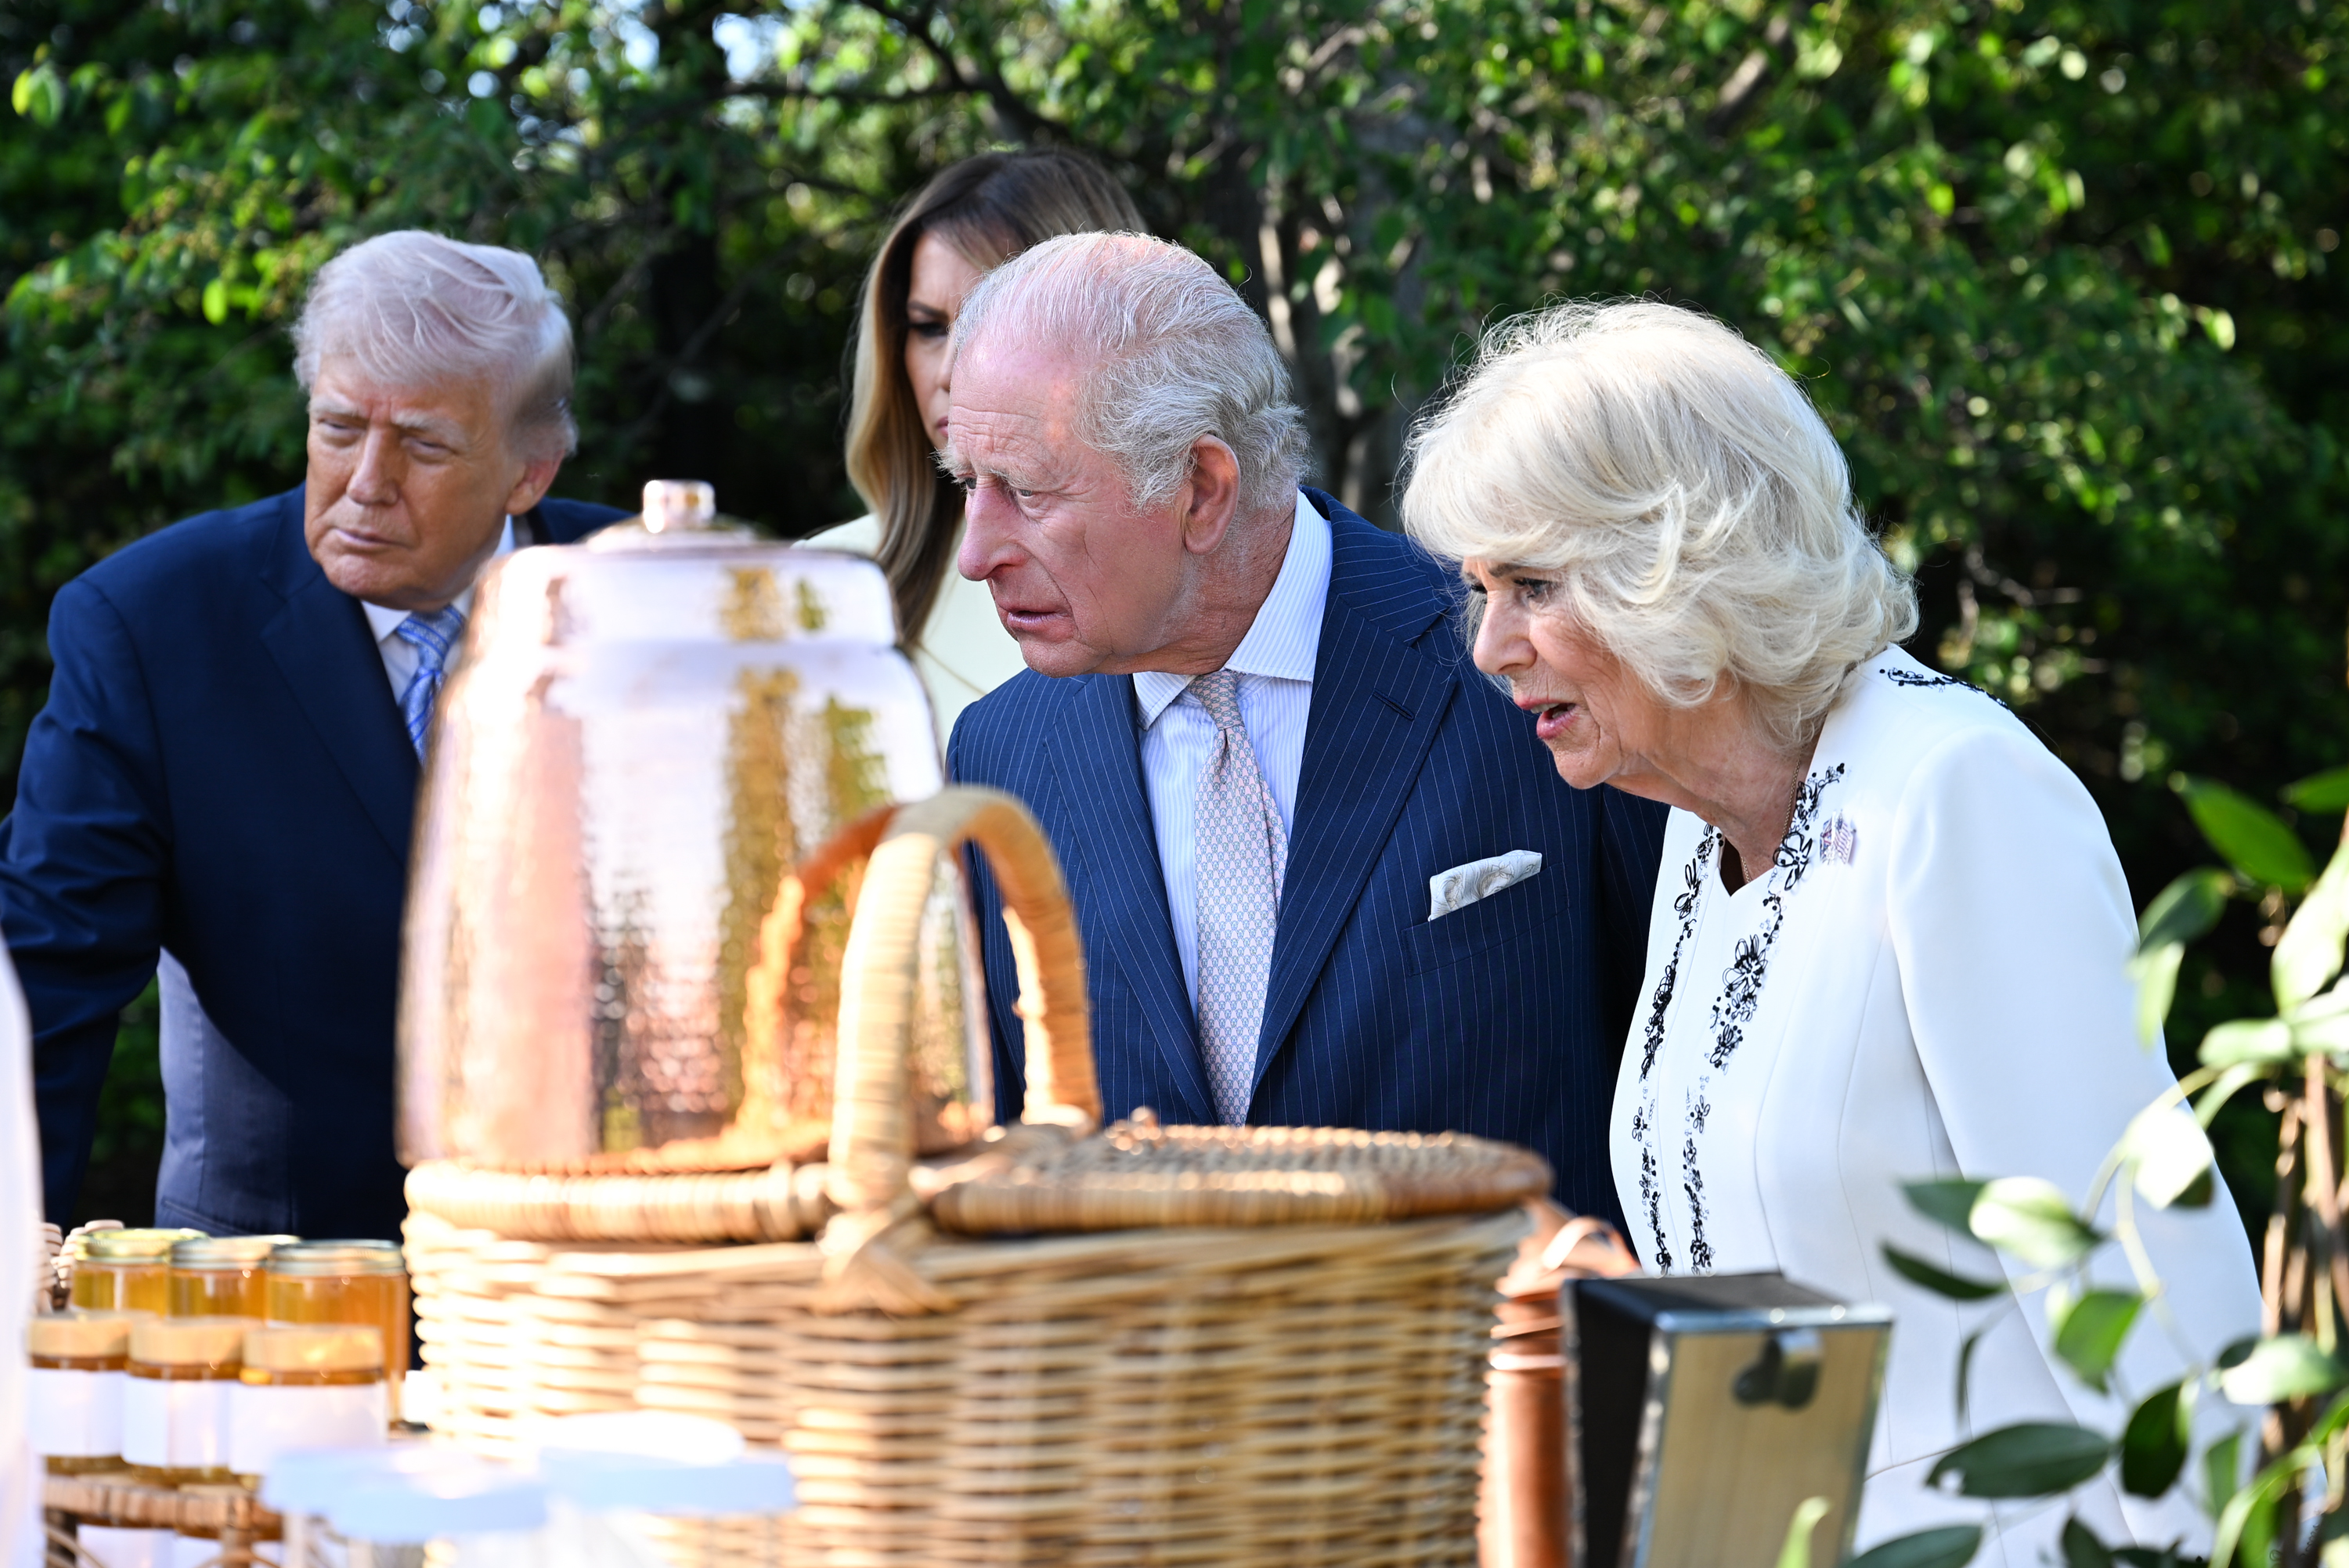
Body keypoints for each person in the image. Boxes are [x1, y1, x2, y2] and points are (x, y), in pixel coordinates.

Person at [1400, 299, 2261, 1556]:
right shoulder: (1702, 822)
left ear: (1681, 562)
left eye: (1534, 585)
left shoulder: (1954, 791)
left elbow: (2139, 1273)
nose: (1490, 646)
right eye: (1483, 590)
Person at [941, 233, 1668, 1221]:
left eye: (1025, 490)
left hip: (1500, 1364)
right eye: (966, 485)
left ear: (1202, 488)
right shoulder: (1000, 758)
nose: (977, 552)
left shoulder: (1522, 663)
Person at [2, 231, 625, 1240]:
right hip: (277, 1281)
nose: (365, 482)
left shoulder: (656, 601)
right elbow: (43, 983)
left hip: (608, 1271)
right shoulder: (153, 626)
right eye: (338, 427)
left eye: (422, 443)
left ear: (529, 470)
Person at [804, 151, 1145, 737]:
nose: (950, 371)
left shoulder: (1204, 585)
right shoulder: (818, 590)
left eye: (994, 324)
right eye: (929, 327)